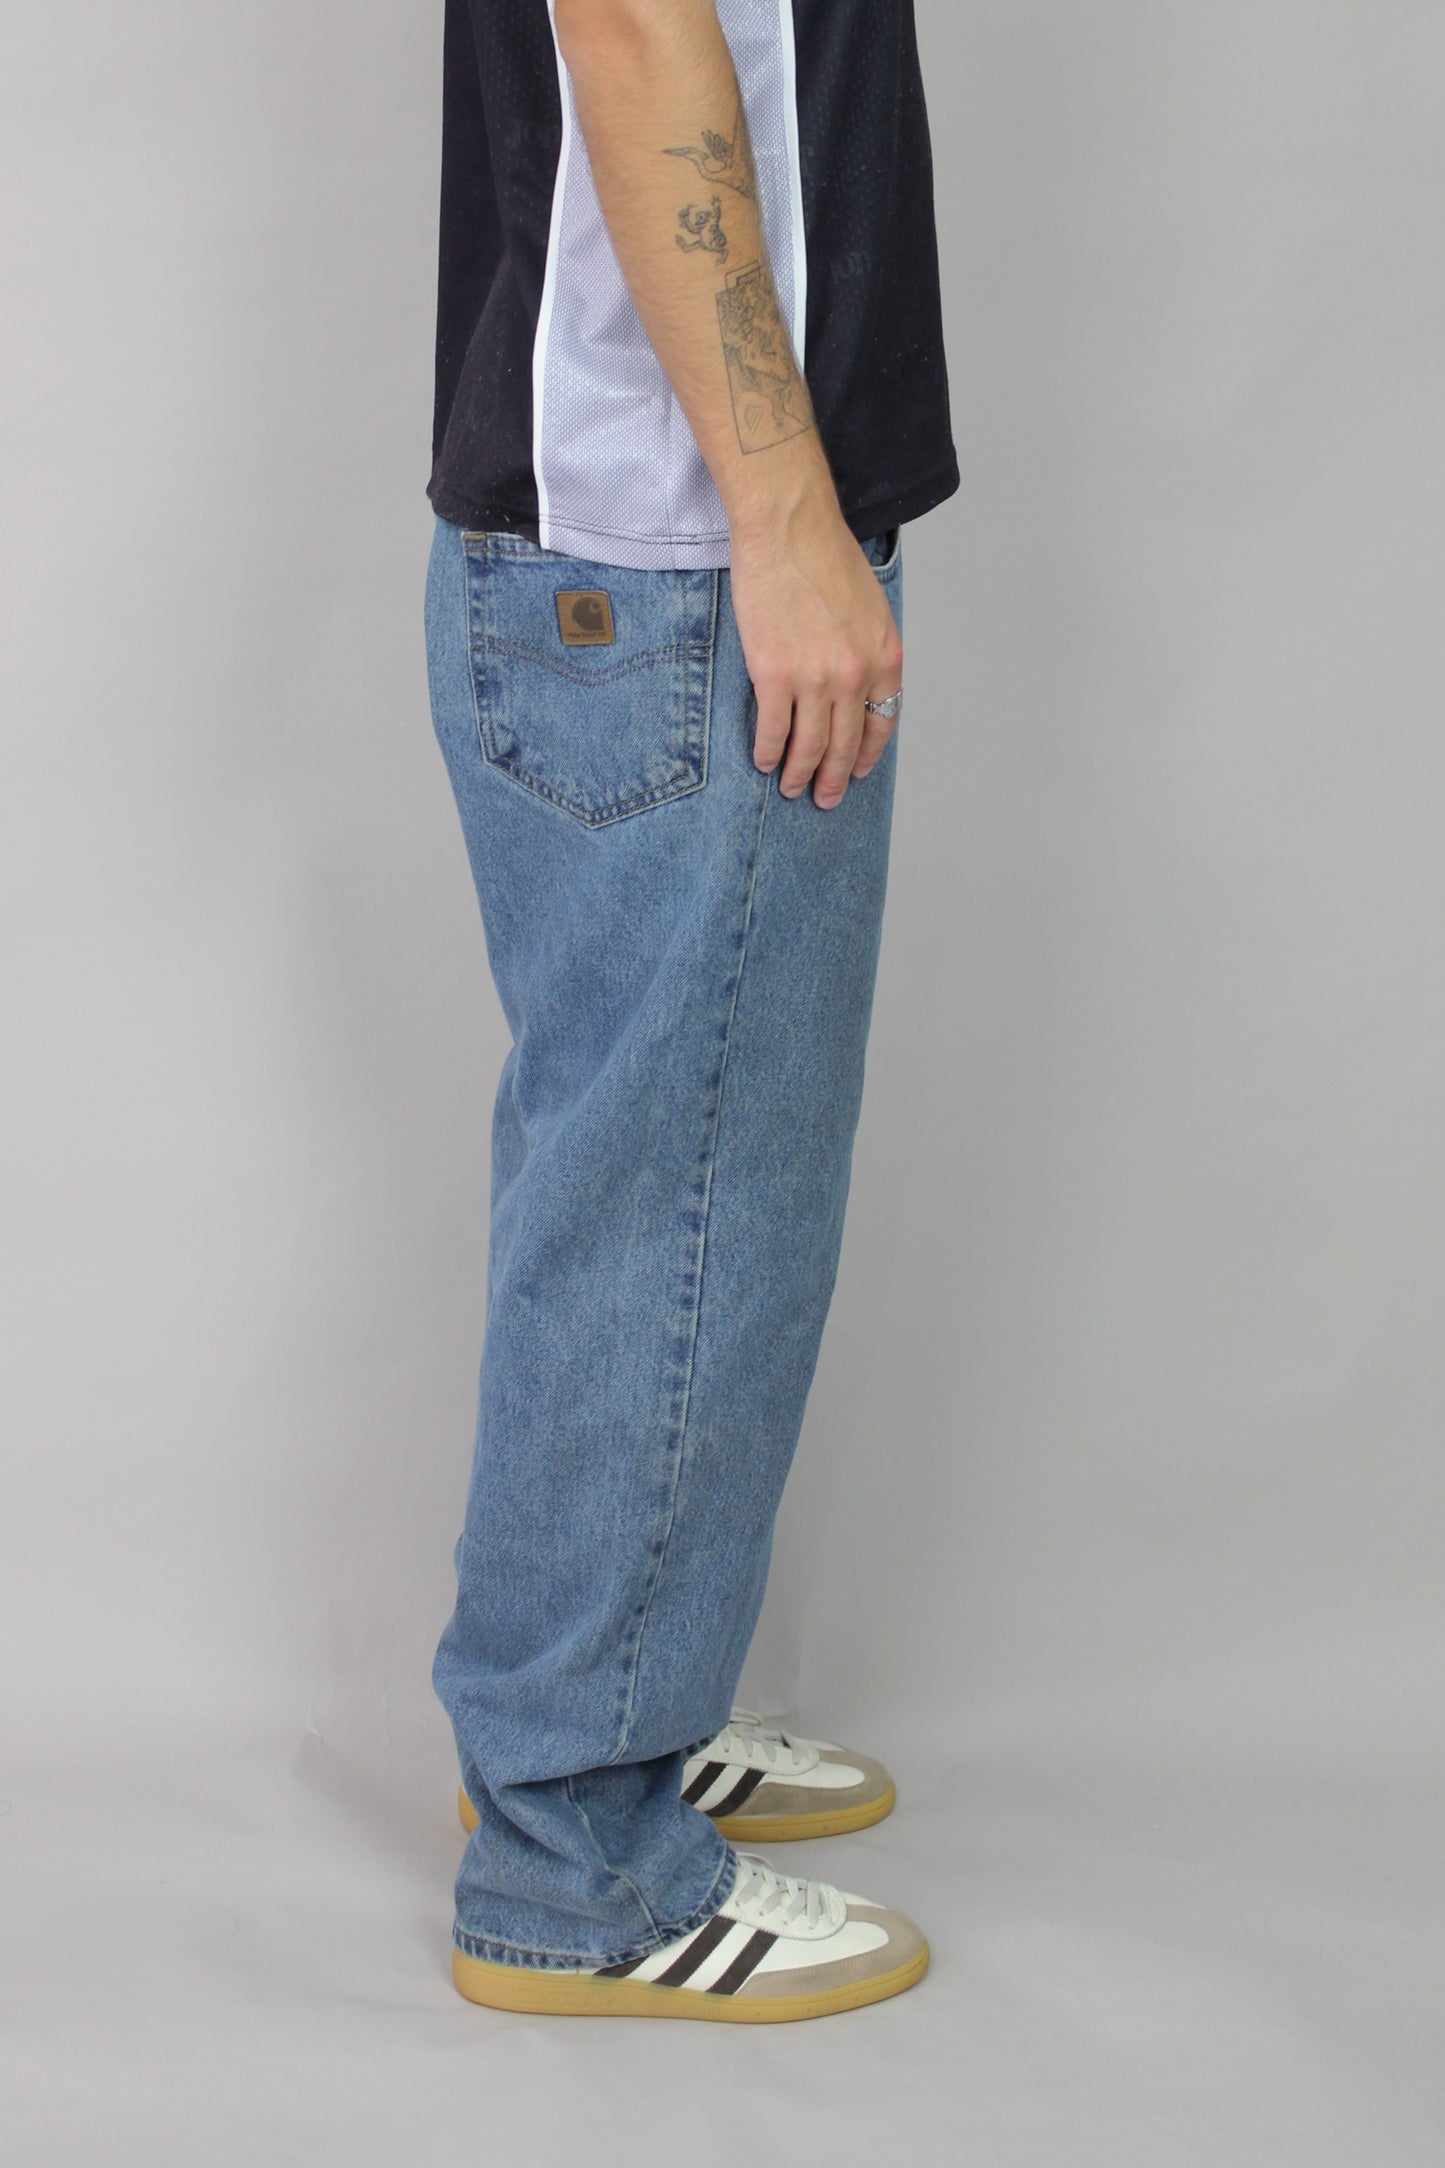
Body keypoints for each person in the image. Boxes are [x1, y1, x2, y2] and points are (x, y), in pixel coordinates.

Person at [424, 0, 957, 2022]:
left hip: (661, 546)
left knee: (653, 1184)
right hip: (675, 555)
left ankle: (607, 1710)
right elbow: (640, 26)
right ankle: (576, 1854)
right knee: (677, 1213)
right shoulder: (726, 533)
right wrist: (785, 519)